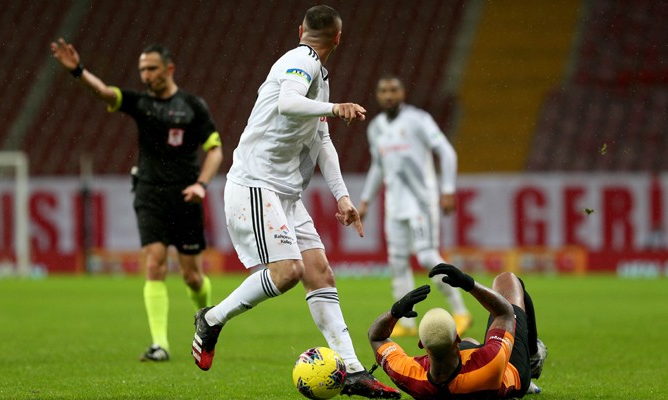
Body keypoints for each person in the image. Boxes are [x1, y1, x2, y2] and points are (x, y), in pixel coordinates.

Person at [190, 5, 400, 399]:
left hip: (285, 192)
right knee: (288, 271)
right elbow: (288, 102)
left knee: (320, 272)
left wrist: (343, 197)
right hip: (255, 183)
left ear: (300, 29)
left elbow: (322, 141)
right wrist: (335, 108)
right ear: (338, 38)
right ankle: (211, 319)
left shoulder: (318, 76)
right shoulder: (298, 60)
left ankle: (352, 371)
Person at [51, 39, 223, 362]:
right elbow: (103, 92)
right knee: (155, 263)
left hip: (186, 195)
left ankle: (207, 320)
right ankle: (161, 344)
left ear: (169, 69)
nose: (145, 75)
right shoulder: (140, 103)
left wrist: (201, 184)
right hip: (149, 193)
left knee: (192, 276)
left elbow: (215, 149)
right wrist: (78, 70)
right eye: (142, 69)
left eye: (152, 68)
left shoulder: (193, 106)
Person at [358, 75, 471, 337]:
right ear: (378, 95)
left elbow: (447, 152)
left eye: (393, 90)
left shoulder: (419, 120)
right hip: (394, 205)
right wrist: (365, 201)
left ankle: (460, 310)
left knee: (426, 256)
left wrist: (448, 190)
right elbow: (378, 166)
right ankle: (405, 322)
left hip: (422, 202)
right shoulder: (375, 127)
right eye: (383, 90)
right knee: (397, 262)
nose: (388, 95)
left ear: (403, 93)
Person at [367, 263, 548, 399]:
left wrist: (395, 311)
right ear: (457, 338)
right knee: (507, 280)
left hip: (460, 380)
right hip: (511, 372)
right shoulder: (491, 360)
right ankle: (533, 358)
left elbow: (375, 336)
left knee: (472, 344)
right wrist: (469, 283)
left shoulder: (408, 374)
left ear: (422, 344)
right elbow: (504, 313)